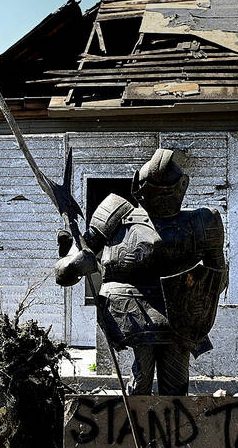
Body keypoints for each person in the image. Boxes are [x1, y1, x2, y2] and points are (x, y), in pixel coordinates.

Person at [54, 149, 227, 396]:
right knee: (142, 377)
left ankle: (172, 429)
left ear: (181, 186)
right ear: (139, 187)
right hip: (130, 310)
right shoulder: (117, 214)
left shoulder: (202, 221)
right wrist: (75, 264)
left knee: (176, 384)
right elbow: (67, 266)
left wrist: (196, 295)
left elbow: (217, 277)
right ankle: (136, 425)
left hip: (179, 311)